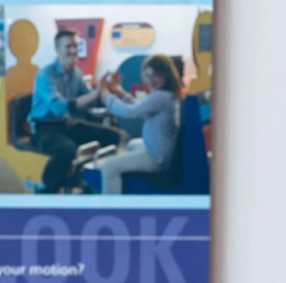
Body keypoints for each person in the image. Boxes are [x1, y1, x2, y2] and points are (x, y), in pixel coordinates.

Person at [27, 28, 123, 193]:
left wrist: (108, 91)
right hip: (44, 128)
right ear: (58, 49)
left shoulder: (76, 73)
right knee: (67, 150)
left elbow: (89, 101)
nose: (73, 51)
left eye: (76, 47)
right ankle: (45, 187)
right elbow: (59, 107)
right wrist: (96, 93)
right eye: (68, 47)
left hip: (65, 124)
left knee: (113, 136)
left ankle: (81, 176)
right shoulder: (45, 75)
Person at [97, 54, 184, 195]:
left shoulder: (160, 97)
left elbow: (129, 112)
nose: (150, 81)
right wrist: (120, 93)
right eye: (148, 76)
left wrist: (107, 96)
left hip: (157, 158)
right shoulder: (168, 95)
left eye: (155, 76)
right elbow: (141, 109)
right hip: (161, 152)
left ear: (166, 75)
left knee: (109, 168)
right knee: (132, 144)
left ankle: (111, 209)